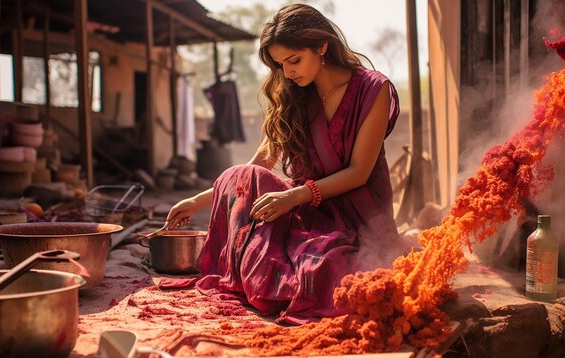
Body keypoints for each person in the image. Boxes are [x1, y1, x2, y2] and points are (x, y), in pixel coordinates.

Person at [166, 3, 403, 325]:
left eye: (294, 60)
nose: (288, 72)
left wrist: (294, 196)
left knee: (322, 270)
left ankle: (288, 275)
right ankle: (267, 277)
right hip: (309, 211)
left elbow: (359, 172)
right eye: (280, 65)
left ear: (322, 46)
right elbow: (262, 161)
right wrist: (198, 201)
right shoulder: (294, 93)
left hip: (360, 216)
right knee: (242, 174)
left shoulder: (374, 89)